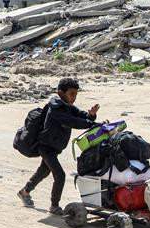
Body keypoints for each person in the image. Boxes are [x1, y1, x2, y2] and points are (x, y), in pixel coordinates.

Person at [17, 78, 100, 215]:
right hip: (46, 147)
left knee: (43, 171)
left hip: (54, 147)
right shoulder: (56, 109)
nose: (74, 98)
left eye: (75, 94)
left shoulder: (66, 106)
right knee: (60, 175)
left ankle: (24, 192)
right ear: (60, 93)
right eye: (71, 94)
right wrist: (92, 124)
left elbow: (80, 115)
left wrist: (91, 115)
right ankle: (54, 206)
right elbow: (73, 121)